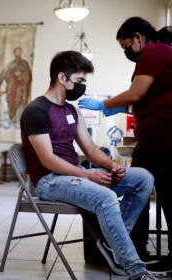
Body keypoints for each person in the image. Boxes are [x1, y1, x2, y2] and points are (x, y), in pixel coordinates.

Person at [21, 50, 156, 280]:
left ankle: (113, 241)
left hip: (74, 176)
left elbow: (91, 150)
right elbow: (48, 160)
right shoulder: (36, 111)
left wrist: (112, 166)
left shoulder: (71, 111)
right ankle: (135, 269)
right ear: (62, 78)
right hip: (49, 181)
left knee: (143, 178)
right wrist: (87, 175)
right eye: (80, 81)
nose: (82, 86)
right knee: (105, 197)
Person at [78, 17, 172, 274]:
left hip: (162, 138)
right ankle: (133, 248)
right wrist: (117, 107)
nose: (126, 52)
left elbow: (136, 93)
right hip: (157, 136)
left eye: (125, 45)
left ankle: (132, 248)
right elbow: (146, 97)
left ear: (139, 38)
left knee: (145, 187)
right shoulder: (161, 54)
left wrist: (103, 104)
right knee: (149, 187)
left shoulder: (155, 52)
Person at [0, 46, 32, 123]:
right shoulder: (11, 64)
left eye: (20, 52)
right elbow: (5, 72)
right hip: (13, 87)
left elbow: (28, 75)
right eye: (17, 52)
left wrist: (21, 74)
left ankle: (21, 118)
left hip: (22, 86)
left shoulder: (25, 63)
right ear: (14, 53)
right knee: (12, 100)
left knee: (21, 102)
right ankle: (14, 118)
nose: (18, 53)